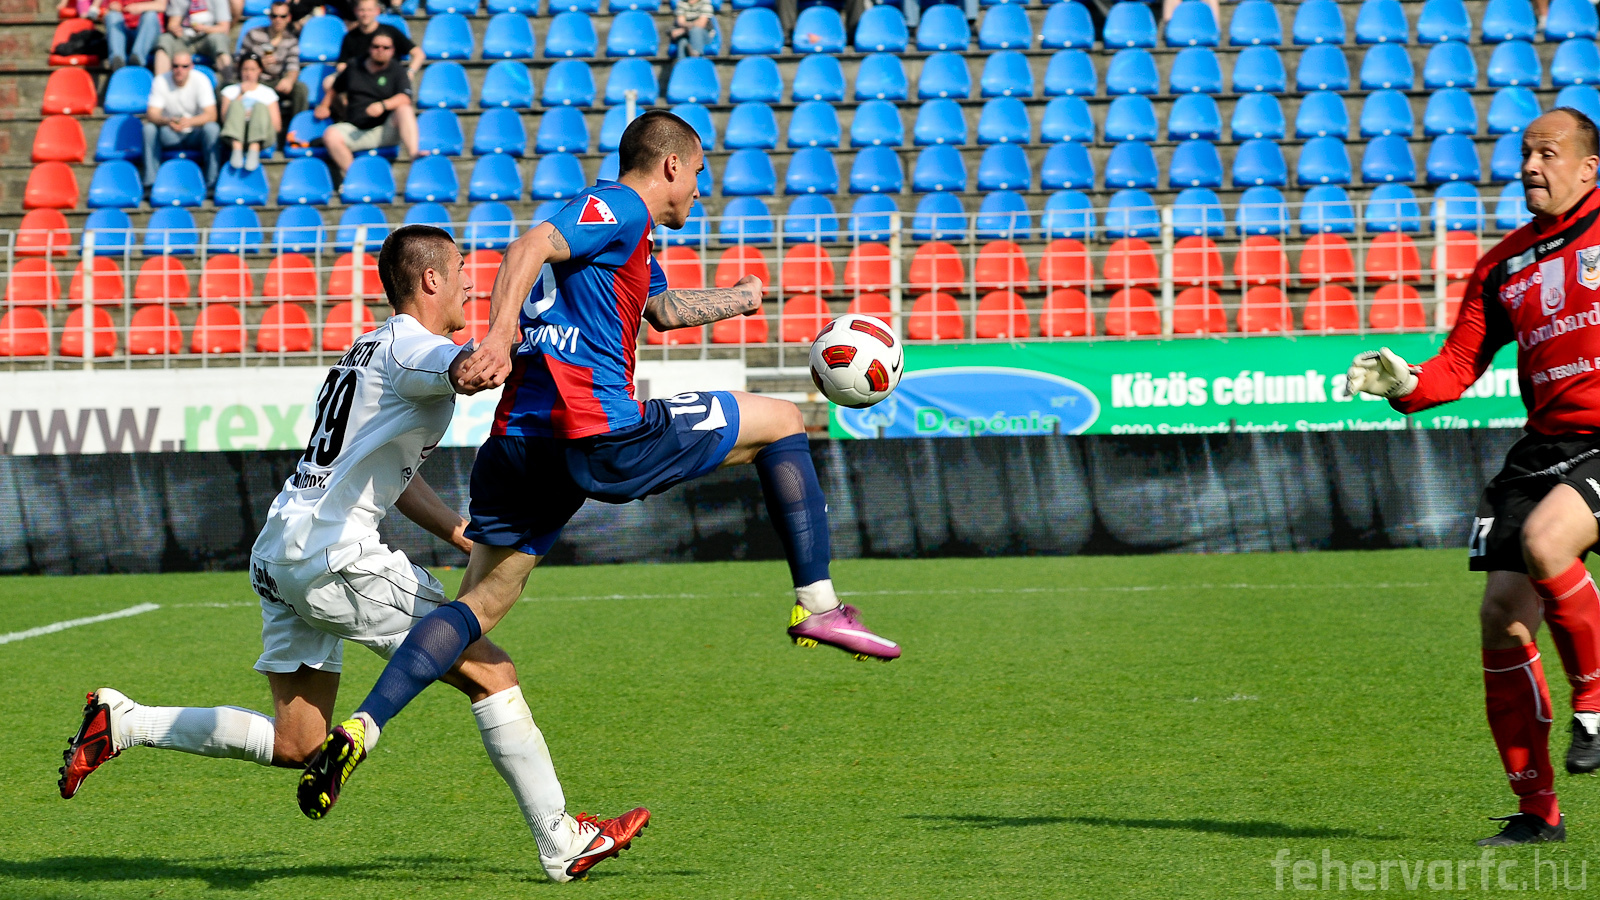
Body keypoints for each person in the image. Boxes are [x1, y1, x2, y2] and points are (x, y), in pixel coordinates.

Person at [296, 110, 902, 822]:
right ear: (670, 165)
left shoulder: (626, 235)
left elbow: (663, 310)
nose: (700, 189)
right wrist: (498, 336)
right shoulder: (617, 206)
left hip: (519, 443)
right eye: (698, 173)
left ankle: (360, 729)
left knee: (476, 610)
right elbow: (529, 245)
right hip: (597, 429)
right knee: (784, 422)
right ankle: (819, 605)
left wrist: (738, 301)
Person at [57, 225, 649, 885]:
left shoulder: (365, 348)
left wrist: (458, 530)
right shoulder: (415, 347)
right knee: (491, 671)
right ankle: (561, 841)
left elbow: (393, 474)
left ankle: (124, 722)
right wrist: (514, 348)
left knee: (298, 743)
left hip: (281, 550)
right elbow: (462, 370)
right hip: (334, 557)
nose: (469, 281)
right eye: (460, 268)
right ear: (430, 279)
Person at [1346, 108, 1600, 847]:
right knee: (1503, 619)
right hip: (1544, 448)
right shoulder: (1504, 264)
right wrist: (1404, 384)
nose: (1530, 166)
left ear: (1589, 168)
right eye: (1524, 153)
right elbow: (1459, 364)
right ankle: (1538, 813)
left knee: (1548, 542)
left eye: (1548, 153)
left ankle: (1593, 703)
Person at [315, 33, 419, 176]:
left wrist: (383, 105)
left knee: (405, 109)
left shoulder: (398, 70)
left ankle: (414, 154)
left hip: (384, 130)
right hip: (355, 130)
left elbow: (405, 98)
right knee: (330, 134)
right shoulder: (354, 66)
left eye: (385, 47)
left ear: (392, 50)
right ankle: (356, 177)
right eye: (376, 46)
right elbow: (335, 88)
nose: (380, 50)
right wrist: (324, 106)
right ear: (369, 48)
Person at [142, 51, 220, 190]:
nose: (180, 70)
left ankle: (212, 182)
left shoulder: (201, 80)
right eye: (176, 66)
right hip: (169, 133)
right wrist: (168, 121)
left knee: (212, 129)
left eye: (184, 66)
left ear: (191, 66)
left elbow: (211, 115)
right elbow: (152, 114)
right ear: (171, 66)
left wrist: (190, 122)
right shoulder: (160, 81)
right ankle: (150, 182)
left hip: (195, 134)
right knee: (149, 129)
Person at [239, 2, 308, 124]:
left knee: (300, 89)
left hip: (275, 81)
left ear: (289, 18)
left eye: (282, 16)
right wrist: (258, 64)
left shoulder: (291, 40)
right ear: (269, 17)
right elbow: (239, 61)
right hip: (255, 79)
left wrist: (289, 80)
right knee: (225, 88)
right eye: (274, 16)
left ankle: (297, 127)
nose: (278, 20)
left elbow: (293, 66)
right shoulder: (254, 34)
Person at [330, 0, 423, 89]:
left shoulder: (390, 32)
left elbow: (418, 54)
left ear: (377, 11)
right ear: (355, 11)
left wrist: (410, 72)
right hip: (359, 79)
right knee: (330, 82)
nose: (365, 14)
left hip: (388, 78)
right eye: (362, 10)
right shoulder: (350, 37)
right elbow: (342, 64)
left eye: (369, 10)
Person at [220, 55, 282, 171]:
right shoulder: (230, 91)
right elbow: (224, 119)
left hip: (263, 136)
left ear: (260, 70)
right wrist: (241, 94)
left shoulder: (268, 93)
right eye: (245, 69)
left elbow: (277, 126)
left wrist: (255, 117)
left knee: (260, 107)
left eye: (253, 69)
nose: (249, 73)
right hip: (236, 135)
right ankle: (237, 148)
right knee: (236, 105)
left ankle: (254, 147)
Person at [154, 0, 232, 77]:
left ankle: (229, 80)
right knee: (165, 40)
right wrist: (175, 29)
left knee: (219, 40)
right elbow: (173, 23)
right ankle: (160, 80)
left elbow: (224, 28)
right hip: (184, 39)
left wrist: (204, 29)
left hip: (207, 38)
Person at [104, 0, 167, 70]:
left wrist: (140, 7)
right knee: (112, 16)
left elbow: (162, 6)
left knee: (150, 15)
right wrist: (113, 6)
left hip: (149, 34)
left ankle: (137, 60)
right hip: (126, 31)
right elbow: (111, 5)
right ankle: (117, 61)